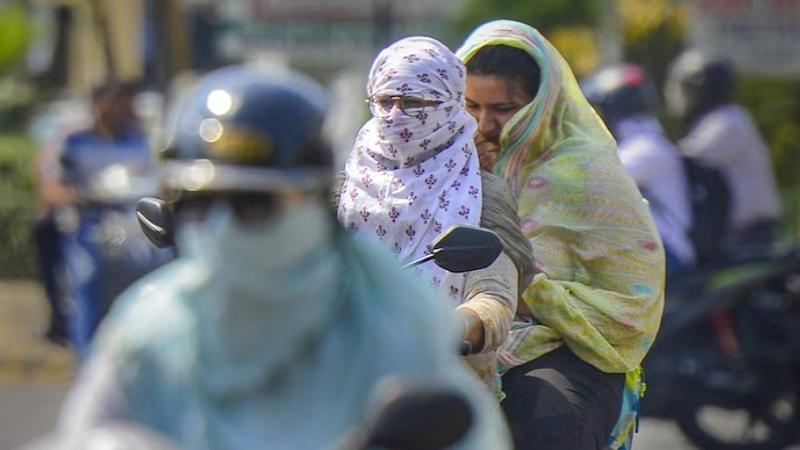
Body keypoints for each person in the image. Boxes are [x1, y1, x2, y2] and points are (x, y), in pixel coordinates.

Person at [51, 65, 511, 450]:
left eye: (254, 206)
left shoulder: (397, 324)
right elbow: (83, 433)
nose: (222, 229)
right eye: (201, 205)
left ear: (314, 206)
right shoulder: (151, 329)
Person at [456, 20, 665, 449]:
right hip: (458, 330)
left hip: (570, 343)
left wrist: (525, 292)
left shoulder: (586, 170)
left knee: (546, 413)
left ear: (541, 104)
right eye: (470, 105)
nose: (483, 124)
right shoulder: (443, 165)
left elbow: (630, 299)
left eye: (503, 109)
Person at [336, 36, 534, 398]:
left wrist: (450, 325)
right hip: (342, 378)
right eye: (385, 101)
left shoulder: (480, 192)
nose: (396, 115)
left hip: (445, 387)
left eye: (413, 102)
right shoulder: (345, 187)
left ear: (448, 105)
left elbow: (495, 298)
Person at [43, 81, 165, 355]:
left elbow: (154, 182)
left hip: (132, 225)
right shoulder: (75, 140)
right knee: (88, 279)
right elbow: (50, 188)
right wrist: (87, 195)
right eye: (119, 101)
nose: (126, 108)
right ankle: (86, 359)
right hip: (88, 225)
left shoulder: (138, 140)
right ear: (100, 104)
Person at [582, 63, 695, 276]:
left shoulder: (646, 149)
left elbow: (588, 182)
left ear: (613, 109)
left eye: (597, 111)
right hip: (655, 251)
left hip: (667, 253)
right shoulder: (642, 142)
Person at [666, 50, 781, 254]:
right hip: (743, 234)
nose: (684, 97)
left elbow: (676, 161)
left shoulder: (728, 122)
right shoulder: (724, 119)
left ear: (706, 89)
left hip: (750, 236)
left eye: (689, 89)